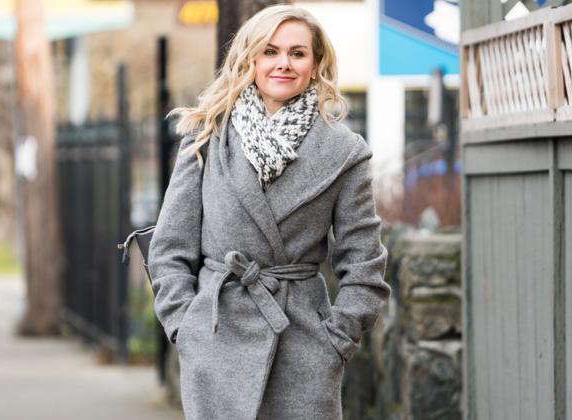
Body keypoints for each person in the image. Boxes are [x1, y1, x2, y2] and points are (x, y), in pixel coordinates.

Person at [148, 4, 391, 420]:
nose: (284, 63)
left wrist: (337, 340)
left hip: (304, 348)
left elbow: (364, 264)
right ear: (250, 60)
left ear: (315, 64)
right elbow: (170, 249)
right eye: (270, 51)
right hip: (216, 340)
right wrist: (186, 328)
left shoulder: (344, 152)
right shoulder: (207, 136)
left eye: (297, 53)